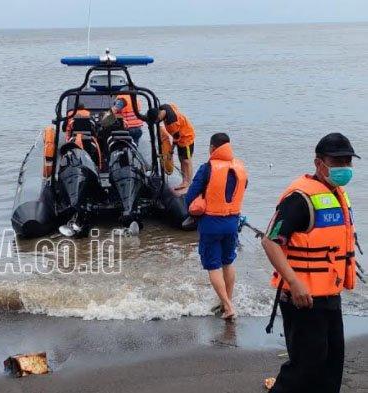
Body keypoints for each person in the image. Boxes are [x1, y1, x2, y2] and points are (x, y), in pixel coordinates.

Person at [261, 133, 359, 393]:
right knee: (306, 368)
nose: (344, 167)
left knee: (332, 365)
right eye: (337, 161)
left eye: (347, 161)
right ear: (319, 164)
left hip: (329, 295)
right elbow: (270, 241)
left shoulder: (338, 194)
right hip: (301, 298)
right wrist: (294, 282)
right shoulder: (299, 199)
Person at [185, 133, 248, 320]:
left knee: (213, 266)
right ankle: (226, 300)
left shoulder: (207, 169)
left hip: (211, 223)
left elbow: (190, 197)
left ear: (212, 148)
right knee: (228, 262)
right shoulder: (240, 167)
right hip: (232, 223)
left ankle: (228, 307)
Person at [148, 103, 196, 190]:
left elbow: (176, 138)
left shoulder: (172, 124)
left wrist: (171, 150)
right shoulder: (165, 107)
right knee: (181, 159)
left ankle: (188, 182)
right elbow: (174, 106)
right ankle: (184, 180)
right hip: (181, 134)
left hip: (186, 138)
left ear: (159, 116)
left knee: (186, 160)